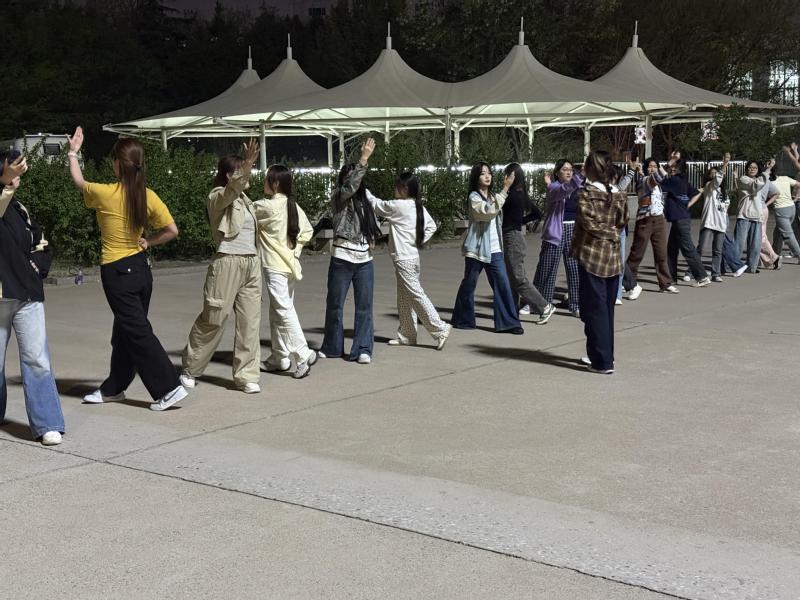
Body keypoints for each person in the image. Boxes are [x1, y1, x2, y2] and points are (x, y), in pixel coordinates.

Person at [67, 126, 187, 411]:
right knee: (124, 331)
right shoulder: (147, 195)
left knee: (137, 332)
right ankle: (114, 388)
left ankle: (169, 387)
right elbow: (172, 230)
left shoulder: (107, 193)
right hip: (141, 271)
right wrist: (149, 241)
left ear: (118, 164)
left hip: (118, 273)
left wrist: (73, 153)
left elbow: (79, 181)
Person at [180, 141, 262, 393]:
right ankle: (190, 368)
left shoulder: (247, 201)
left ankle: (247, 375)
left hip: (251, 262)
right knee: (214, 318)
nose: (247, 174)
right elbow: (231, 191)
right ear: (228, 175)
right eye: (241, 170)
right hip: (227, 261)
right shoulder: (217, 196)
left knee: (250, 322)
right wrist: (248, 163)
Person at [0, 152, 65, 445]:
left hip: (28, 295)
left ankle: (47, 423)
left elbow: (40, 242)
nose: (17, 175)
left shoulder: (20, 208)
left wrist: (38, 266)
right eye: (10, 169)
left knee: (37, 359)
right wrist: (6, 181)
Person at [368, 172, 452, 349]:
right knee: (405, 297)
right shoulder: (417, 205)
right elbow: (432, 226)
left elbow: (376, 204)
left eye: (396, 186)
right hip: (412, 257)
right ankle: (407, 334)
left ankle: (440, 328)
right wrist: (418, 241)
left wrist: (363, 190)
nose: (394, 189)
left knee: (415, 294)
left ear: (404, 188)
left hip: (403, 259)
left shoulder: (398, 206)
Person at [319, 138, 382, 364]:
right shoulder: (339, 197)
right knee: (335, 305)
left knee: (364, 307)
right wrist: (363, 159)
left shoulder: (365, 201)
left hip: (364, 260)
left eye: (355, 175)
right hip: (342, 257)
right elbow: (350, 187)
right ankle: (332, 347)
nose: (352, 179)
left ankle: (363, 349)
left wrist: (372, 236)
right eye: (348, 176)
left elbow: (373, 223)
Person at [254, 165, 316, 378]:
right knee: (278, 311)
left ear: (275, 183)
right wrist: (295, 252)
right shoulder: (293, 206)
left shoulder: (266, 206)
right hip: (289, 265)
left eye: (266, 179)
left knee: (283, 310)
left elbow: (244, 209)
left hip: (274, 266)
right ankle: (279, 357)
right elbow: (308, 230)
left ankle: (302, 354)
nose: (263, 182)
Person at [571, 150, 628, 374]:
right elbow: (623, 221)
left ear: (590, 168)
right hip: (613, 257)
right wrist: (613, 233)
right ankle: (604, 355)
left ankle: (602, 362)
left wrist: (605, 233)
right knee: (605, 310)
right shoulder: (618, 193)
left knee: (594, 311)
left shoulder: (586, 193)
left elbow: (589, 224)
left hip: (592, 257)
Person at [451, 162, 523, 334]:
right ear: (476, 177)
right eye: (483, 173)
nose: (487, 176)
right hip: (476, 250)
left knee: (503, 284)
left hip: (495, 249)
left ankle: (509, 323)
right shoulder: (474, 197)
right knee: (469, 284)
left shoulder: (492, 196)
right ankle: (462, 319)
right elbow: (487, 213)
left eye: (489, 173)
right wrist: (505, 189)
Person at [500, 163, 555, 324]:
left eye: (509, 175)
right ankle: (512, 311)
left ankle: (544, 306)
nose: (506, 178)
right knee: (512, 278)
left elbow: (535, 213)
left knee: (518, 278)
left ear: (514, 177)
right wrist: (520, 221)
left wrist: (518, 223)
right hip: (513, 236)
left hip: (513, 238)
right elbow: (536, 213)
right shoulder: (519, 193)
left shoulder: (512, 195)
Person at [533, 159, 584, 317]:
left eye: (571, 169)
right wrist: (580, 176)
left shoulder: (579, 188)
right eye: (565, 169)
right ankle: (543, 304)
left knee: (574, 269)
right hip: (556, 231)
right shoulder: (554, 187)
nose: (569, 172)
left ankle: (576, 304)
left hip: (574, 229)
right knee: (548, 268)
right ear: (557, 172)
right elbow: (565, 189)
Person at [624, 157, 677, 295]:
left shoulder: (657, 184)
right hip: (645, 220)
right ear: (645, 168)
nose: (652, 168)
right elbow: (654, 179)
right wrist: (669, 163)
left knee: (661, 253)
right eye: (650, 166)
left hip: (659, 219)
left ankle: (665, 283)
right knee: (637, 253)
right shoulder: (643, 181)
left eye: (655, 166)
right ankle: (627, 281)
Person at [660, 153, 709, 287]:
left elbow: (659, 180)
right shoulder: (683, 180)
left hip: (681, 220)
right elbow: (696, 193)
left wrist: (669, 162)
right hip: (679, 218)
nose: (672, 169)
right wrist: (687, 205)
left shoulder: (675, 181)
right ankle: (671, 278)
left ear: (680, 169)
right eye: (672, 167)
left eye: (675, 167)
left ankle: (702, 276)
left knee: (688, 248)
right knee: (671, 248)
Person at [696, 153, 732, 282]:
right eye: (711, 173)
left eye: (715, 173)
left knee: (717, 251)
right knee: (701, 248)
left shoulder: (724, 192)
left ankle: (715, 273)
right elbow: (717, 181)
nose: (714, 175)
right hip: (709, 222)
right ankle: (692, 271)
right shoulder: (709, 186)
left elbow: (725, 208)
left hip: (720, 224)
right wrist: (725, 164)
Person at [734, 158, 774, 274]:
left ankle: (751, 267)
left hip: (757, 216)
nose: (752, 169)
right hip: (744, 215)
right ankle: (733, 265)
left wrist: (767, 170)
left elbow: (763, 185)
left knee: (756, 245)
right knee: (739, 244)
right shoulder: (744, 179)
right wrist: (768, 169)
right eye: (750, 167)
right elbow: (755, 186)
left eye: (755, 168)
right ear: (746, 169)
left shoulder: (759, 179)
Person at [771, 149, 800, 263]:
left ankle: (798, 254)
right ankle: (774, 255)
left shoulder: (770, 183)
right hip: (791, 208)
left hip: (781, 210)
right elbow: (798, 184)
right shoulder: (786, 178)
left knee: (788, 235)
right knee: (778, 232)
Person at [757, 171, 781, 269]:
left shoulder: (756, 180)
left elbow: (777, 193)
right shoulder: (766, 181)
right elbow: (777, 193)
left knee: (760, 236)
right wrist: (766, 204)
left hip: (758, 210)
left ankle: (774, 257)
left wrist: (765, 204)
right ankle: (766, 259)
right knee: (760, 236)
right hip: (763, 209)